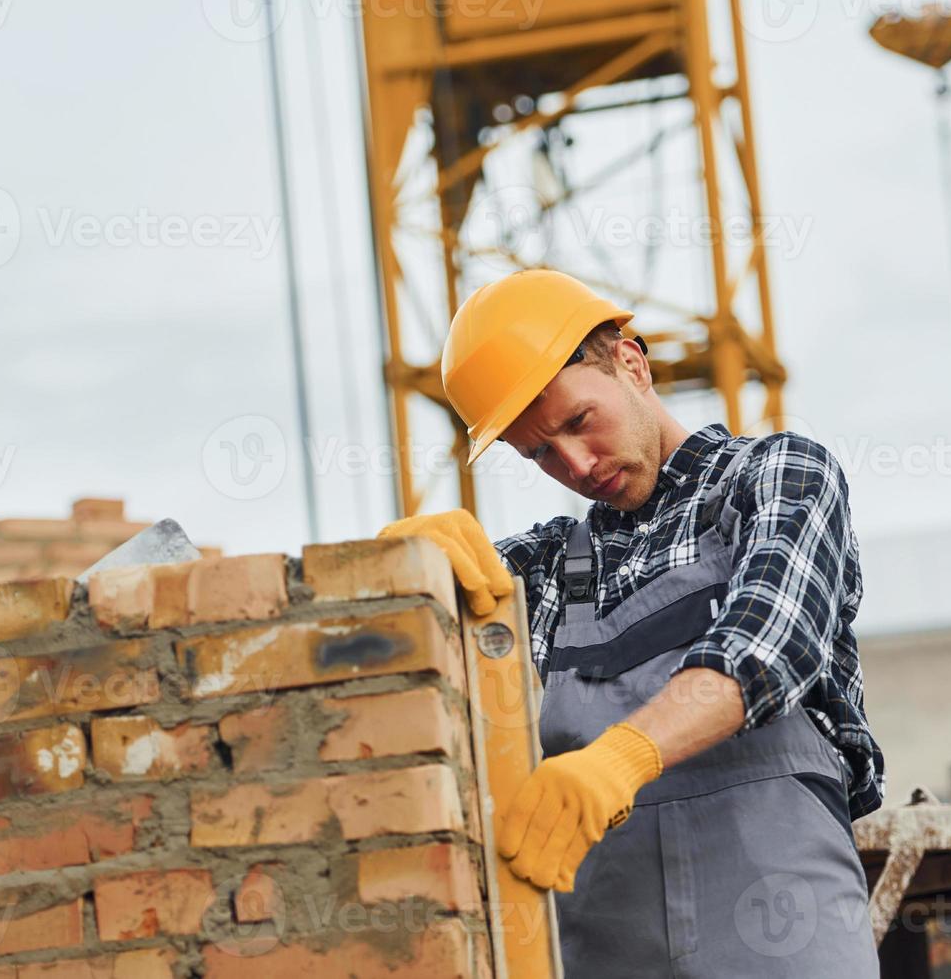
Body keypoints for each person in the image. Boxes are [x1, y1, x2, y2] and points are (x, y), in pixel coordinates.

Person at [379, 269, 885, 978]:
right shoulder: (547, 567)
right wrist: (402, 566)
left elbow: (770, 645)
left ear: (631, 364)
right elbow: (396, 667)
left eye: (578, 423)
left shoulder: (776, 477)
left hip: (782, 938)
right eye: (540, 454)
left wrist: (620, 761)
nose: (577, 466)